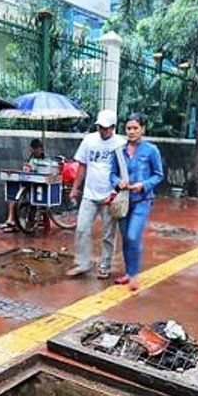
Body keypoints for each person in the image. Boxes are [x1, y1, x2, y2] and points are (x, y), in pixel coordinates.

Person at [66, 110, 125, 278]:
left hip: (109, 196)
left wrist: (115, 193)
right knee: (82, 229)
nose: (103, 130)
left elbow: (123, 171)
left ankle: (105, 265)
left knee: (108, 234)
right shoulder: (89, 140)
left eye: (106, 128)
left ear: (113, 127)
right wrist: (75, 188)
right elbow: (82, 165)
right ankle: (83, 263)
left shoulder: (120, 143)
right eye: (100, 127)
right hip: (89, 194)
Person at [109, 113, 164, 292]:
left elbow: (158, 175)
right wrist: (118, 182)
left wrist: (144, 184)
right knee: (125, 237)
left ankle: (134, 274)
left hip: (142, 200)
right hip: (124, 201)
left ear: (142, 129)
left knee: (133, 235)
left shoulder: (151, 150)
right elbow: (112, 174)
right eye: (128, 128)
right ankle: (128, 272)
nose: (131, 132)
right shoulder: (119, 151)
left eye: (135, 128)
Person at [3, 139, 46, 233]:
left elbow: (37, 171)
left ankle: (12, 219)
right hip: (27, 183)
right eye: (34, 149)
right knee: (12, 195)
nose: (35, 151)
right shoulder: (32, 158)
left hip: (35, 185)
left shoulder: (42, 161)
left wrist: (30, 168)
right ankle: (11, 219)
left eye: (37, 149)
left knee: (16, 198)